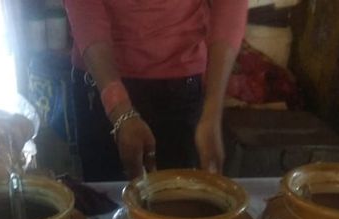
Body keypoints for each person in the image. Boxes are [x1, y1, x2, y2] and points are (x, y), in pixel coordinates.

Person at [63, 0, 248, 181]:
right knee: (104, 195)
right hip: (101, 78)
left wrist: (212, 114)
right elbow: (85, 10)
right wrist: (118, 107)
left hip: (181, 88)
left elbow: (230, 5)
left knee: (179, 196)